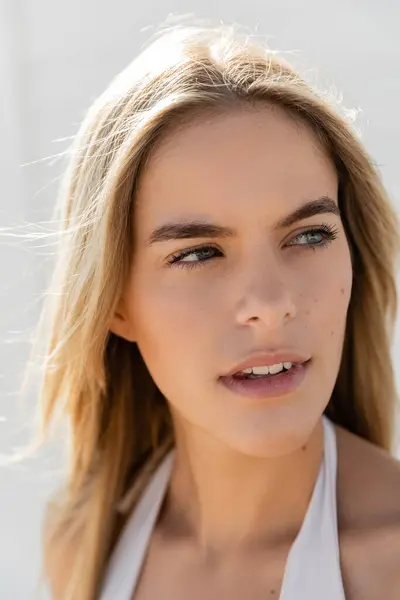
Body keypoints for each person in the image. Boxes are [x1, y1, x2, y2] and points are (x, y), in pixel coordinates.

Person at [33, 24, 400, 600]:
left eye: (308, 236)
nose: (271, 305)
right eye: (199, 253)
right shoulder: (84, 547)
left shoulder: (388, 565)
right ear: (114, 303)